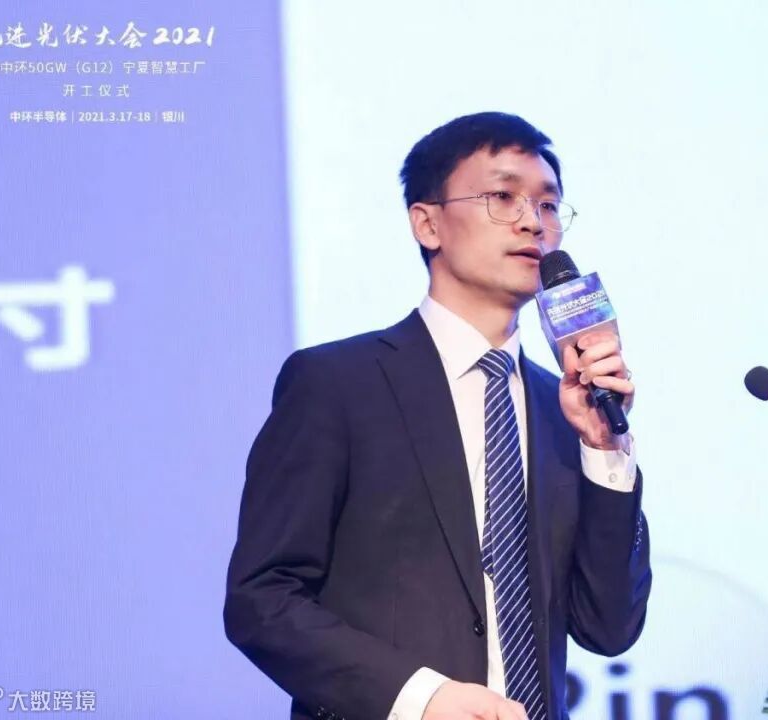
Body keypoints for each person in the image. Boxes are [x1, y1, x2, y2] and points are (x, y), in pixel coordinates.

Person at [224, 111, 651, 720]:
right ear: (427, 223)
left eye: (549, 205)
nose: (533, 222)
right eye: (502, 197)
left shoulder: (567, 411)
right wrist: (420, 698)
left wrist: (605, 449)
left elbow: (608, 628)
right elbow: (261, 599)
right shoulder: (338, 383)